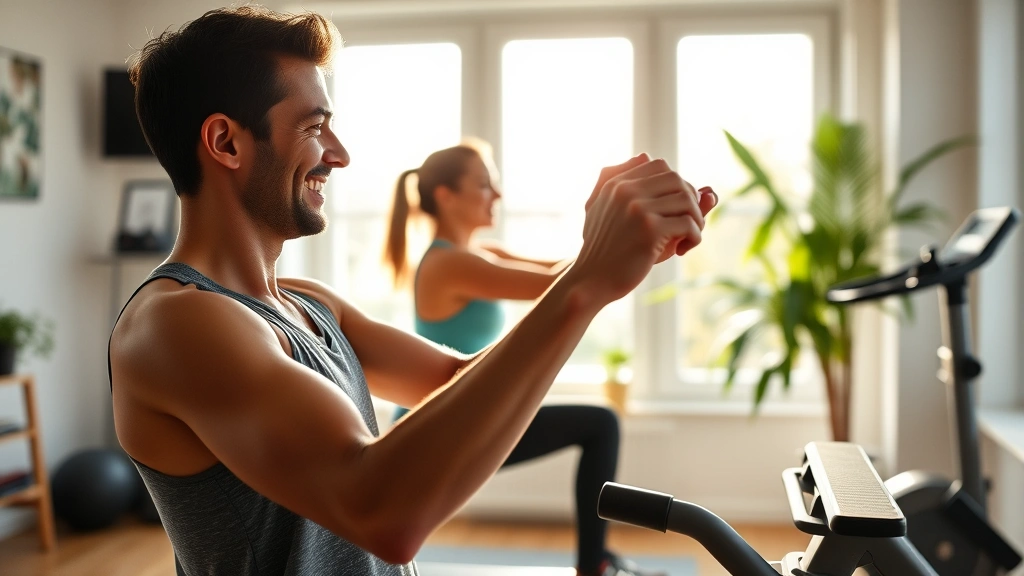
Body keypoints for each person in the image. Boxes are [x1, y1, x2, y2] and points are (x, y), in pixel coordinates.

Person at [107, 5, 717, 576]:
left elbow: (455, 383)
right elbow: (381, 512)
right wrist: (584, 282)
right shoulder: (175, 324)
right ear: (226, 142)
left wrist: (606, 271)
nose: (339, 155)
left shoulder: (308, 303)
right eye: (315, 128)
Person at [384, 142, 715, 576]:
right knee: (601, 424)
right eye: (484, 185)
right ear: (445, 196)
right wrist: (632, 236)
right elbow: (557, 284)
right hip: (433, 433)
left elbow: (571, 267)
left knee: (599, 425)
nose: (497, 196)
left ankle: (594, 561)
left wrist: (646, 240)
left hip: (468, 417)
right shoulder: (448, 265)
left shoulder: (483, 255)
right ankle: (593, 564)